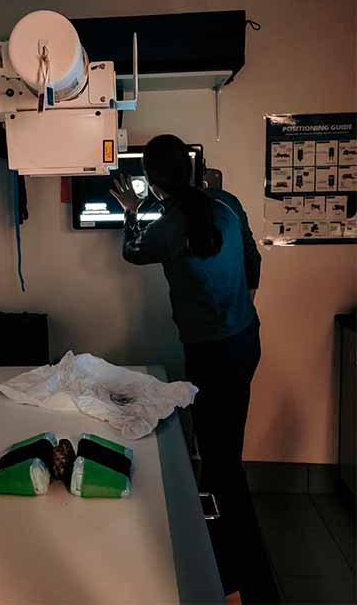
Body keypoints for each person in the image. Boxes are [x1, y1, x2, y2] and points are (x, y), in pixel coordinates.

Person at [111, 135, 277, 604]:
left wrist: (130, 208)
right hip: (245, 340)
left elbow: (132, 251)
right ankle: (228, 543)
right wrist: (236, 303)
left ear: (153, 180)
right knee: (226, 450)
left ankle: (231, 576)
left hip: (210, 353)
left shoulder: (167, 225)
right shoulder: (226, 201)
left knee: (218, 457)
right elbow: (253, 262)